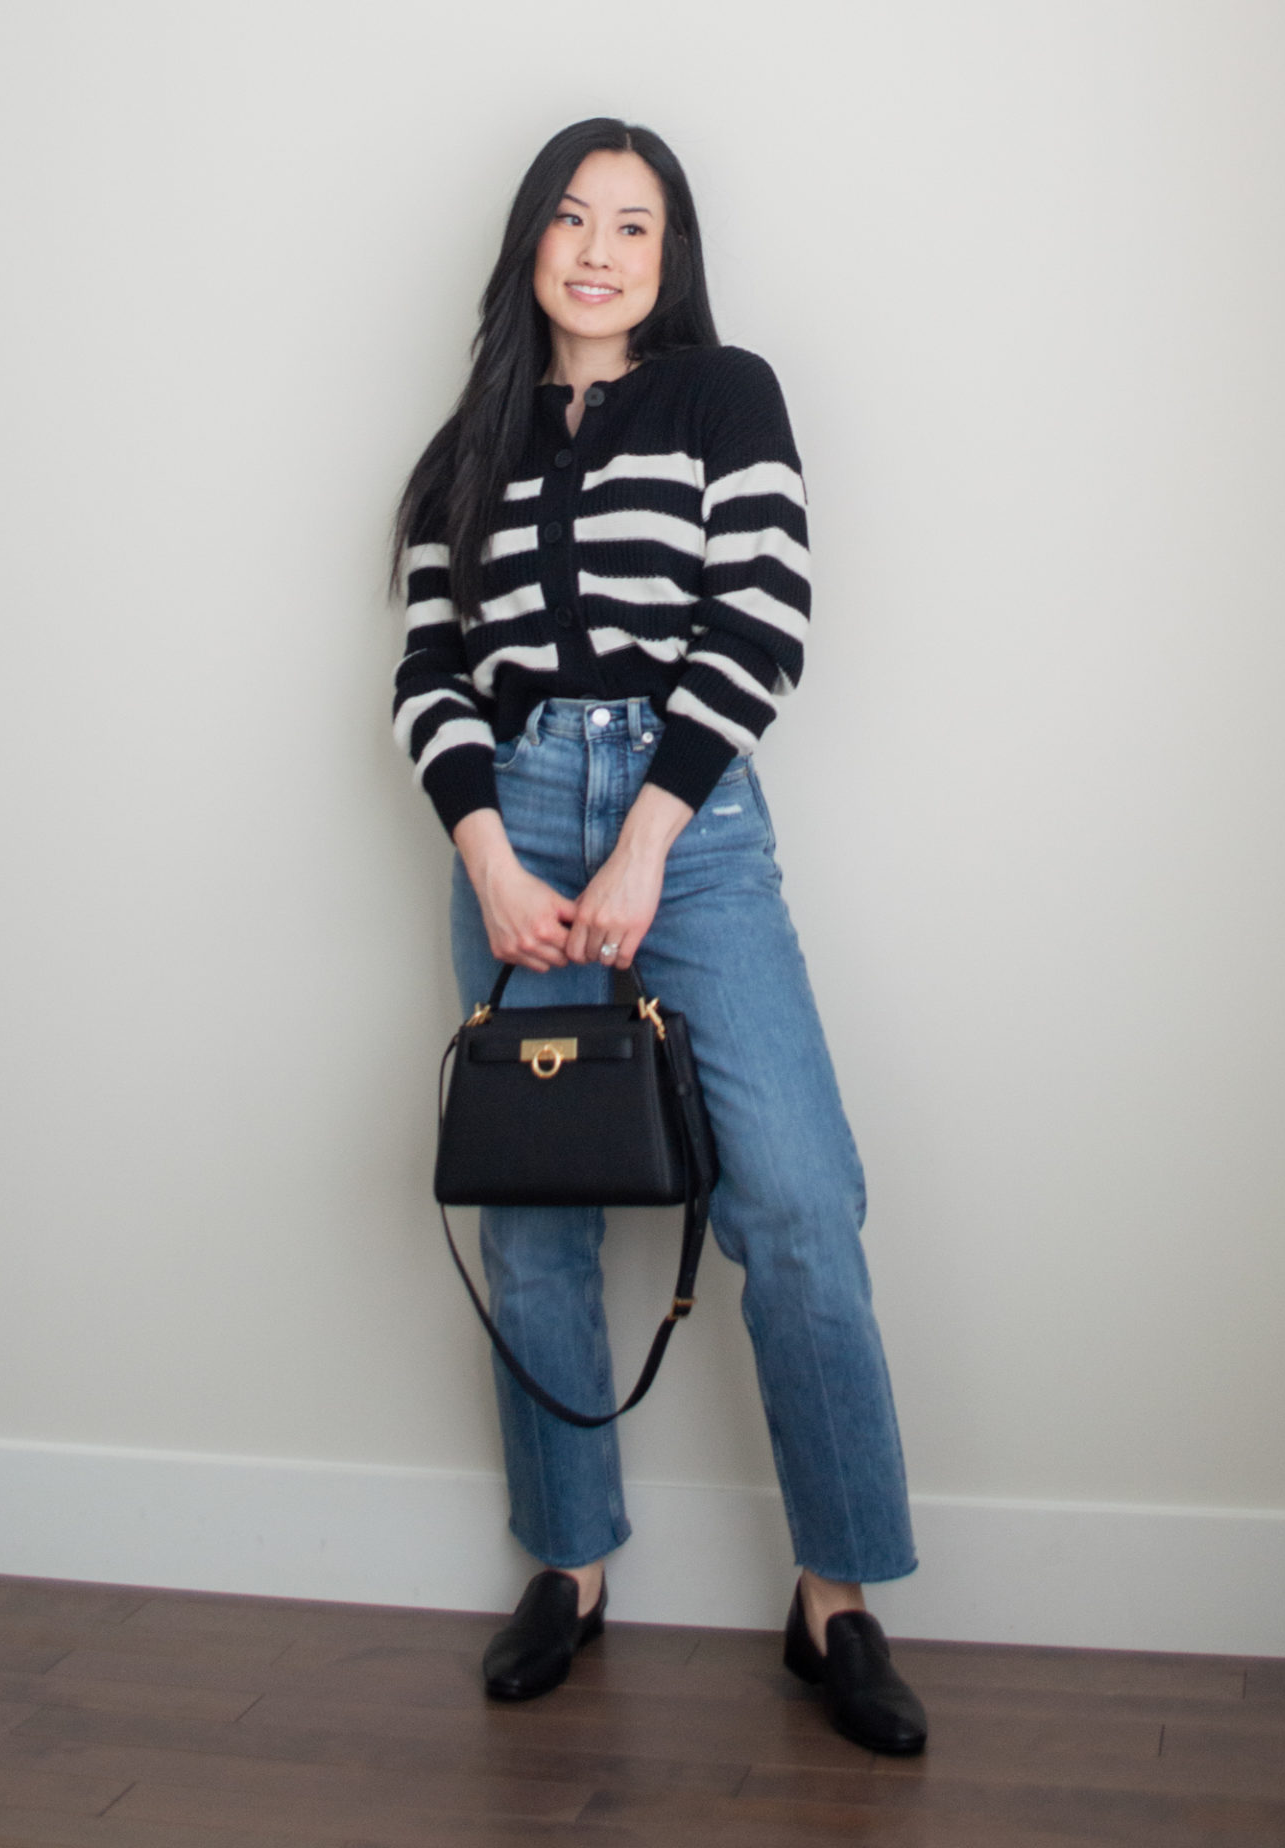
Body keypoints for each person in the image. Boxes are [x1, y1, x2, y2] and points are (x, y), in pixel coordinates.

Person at [390, 117, 927, 1755]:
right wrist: (485, 849)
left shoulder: (723, 396)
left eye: (636, 223)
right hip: (511, 834)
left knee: (801, 1199)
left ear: (671, 257)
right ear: (530, 245)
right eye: (573, 217)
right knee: (536, 1209)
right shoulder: (454, 456)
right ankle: (573, 1565)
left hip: (685, 831)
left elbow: (761, 614)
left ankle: (834, 1599)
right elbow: (427, 679)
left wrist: (646, 837)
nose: (602, 249)